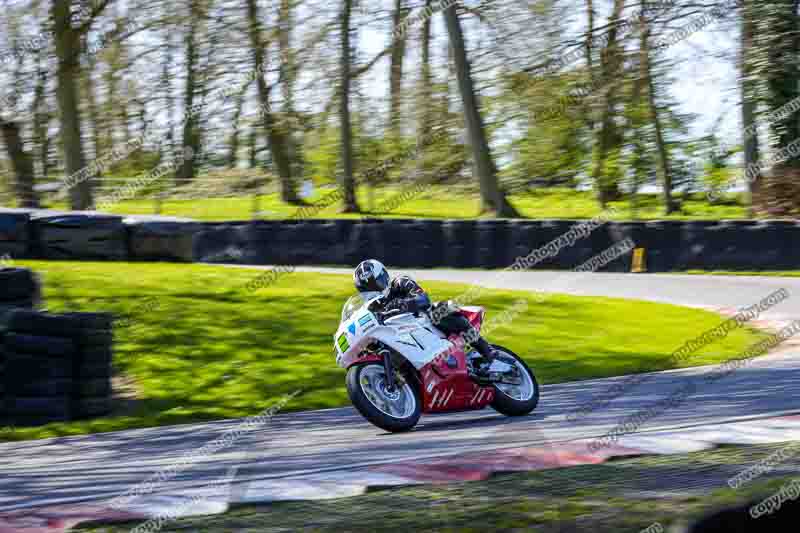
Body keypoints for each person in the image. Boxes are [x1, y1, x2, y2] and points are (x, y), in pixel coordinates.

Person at [353, 259, 498, 378]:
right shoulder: (373, 307)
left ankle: (487, 351)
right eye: (367, 288)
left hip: (424, 323)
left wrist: (404, 304)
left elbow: (423, 298)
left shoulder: (400, 282)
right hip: (401, 335)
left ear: (384, 277)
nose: (373, 289)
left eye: (374, 283)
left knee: (440, 310)